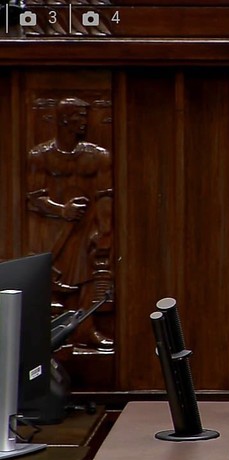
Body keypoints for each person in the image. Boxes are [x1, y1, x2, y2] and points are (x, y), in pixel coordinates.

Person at [27, 97, 114, 350]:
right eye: (79, 116)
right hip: (50, 228)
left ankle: (85, 329)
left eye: (86, 116)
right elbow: (33, 198)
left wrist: (105, 230)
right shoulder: (40, 156)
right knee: (47, 281)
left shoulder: (98, 156)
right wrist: (61, 210)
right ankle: (47, 335)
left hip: (86, 226)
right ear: (64, 119)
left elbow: (105, 196)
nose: (84, 122)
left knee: (89, 275)